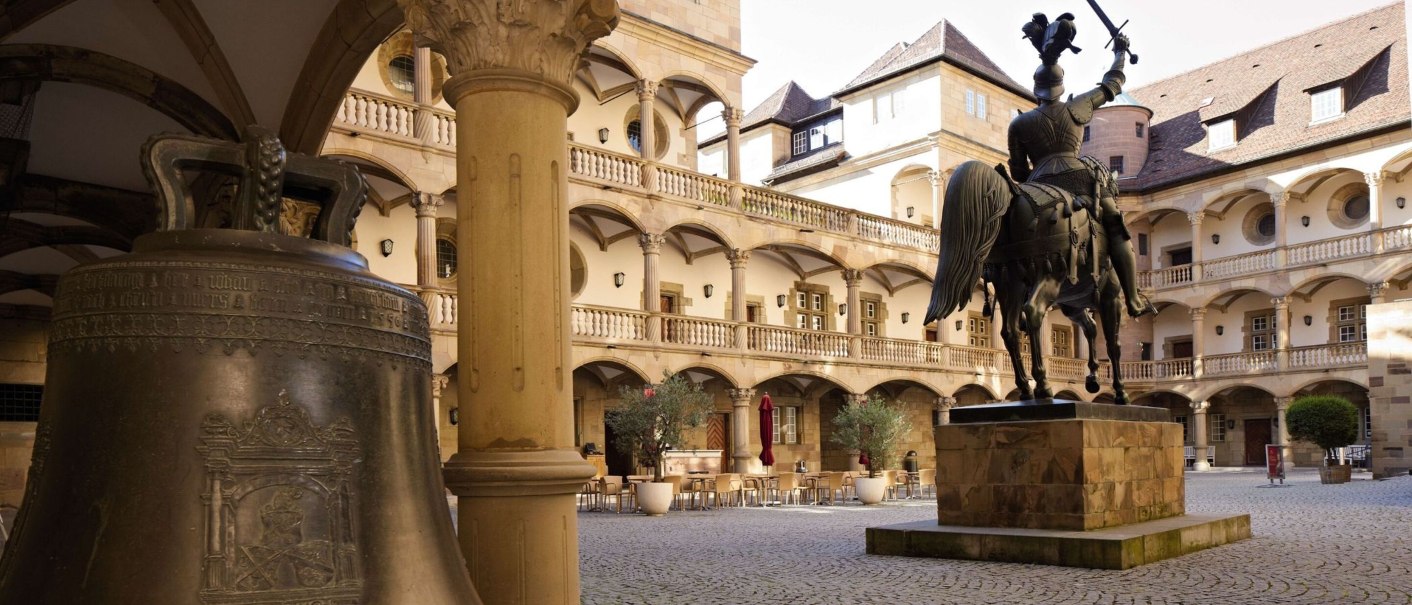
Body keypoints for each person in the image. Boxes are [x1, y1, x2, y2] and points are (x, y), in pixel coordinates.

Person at [1008, 15, 1153, 317]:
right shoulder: (1078, 107)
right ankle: (1133, 297)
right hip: (1078, 178)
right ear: (1061, 88)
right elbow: (1113, 84)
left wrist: (1033, 179)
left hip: (1036, 187)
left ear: (1036, 90)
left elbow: (1018, 172)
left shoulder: (1020, 123)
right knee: (1116, 226)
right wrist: (1120, 53)